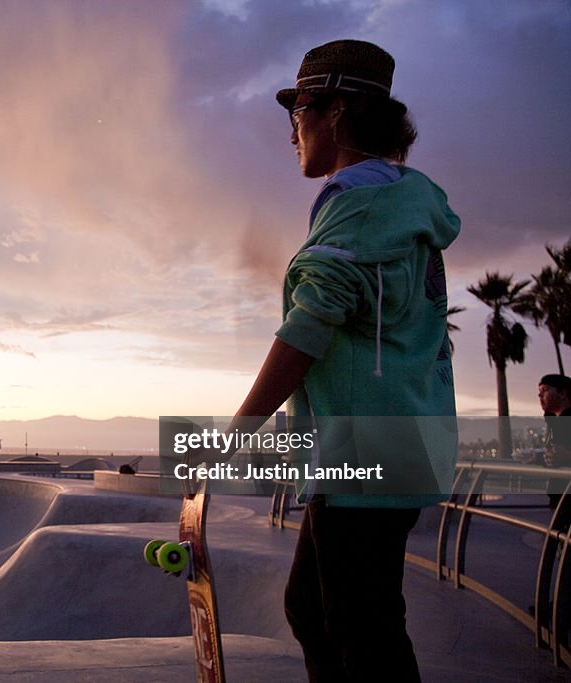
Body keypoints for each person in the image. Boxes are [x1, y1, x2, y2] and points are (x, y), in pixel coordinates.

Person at [216, 40, 460, 681]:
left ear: (335, 112)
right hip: (395, 442)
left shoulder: (359, 202)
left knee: (361, 627)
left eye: (297, 110)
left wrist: (233, 435)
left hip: (367, 451)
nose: (292, 131)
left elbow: (309, 328)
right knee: (317, 610)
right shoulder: (403, 201)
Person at [539, 374, 571, 508]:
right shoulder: (554, 423)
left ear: (563, 393)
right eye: (539, 392)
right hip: (559, 498)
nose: (540, 396)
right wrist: (539, 457)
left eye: (545, 390)